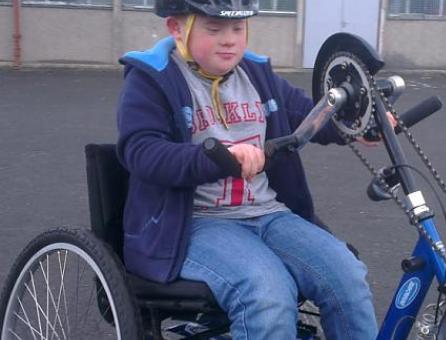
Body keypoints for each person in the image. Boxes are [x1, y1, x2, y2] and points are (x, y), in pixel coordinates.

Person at [116, 0, 387, 338]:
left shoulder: (256, 74)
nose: (229, 40)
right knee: (267, 293)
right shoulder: (152, 80)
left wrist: (358, 124)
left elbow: (310, 116)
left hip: (268, 213)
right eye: (213, 29)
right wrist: (215, 156)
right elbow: (141, 152)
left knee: (346, 276)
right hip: (193, 223)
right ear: (176, 29)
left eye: (238, 29)